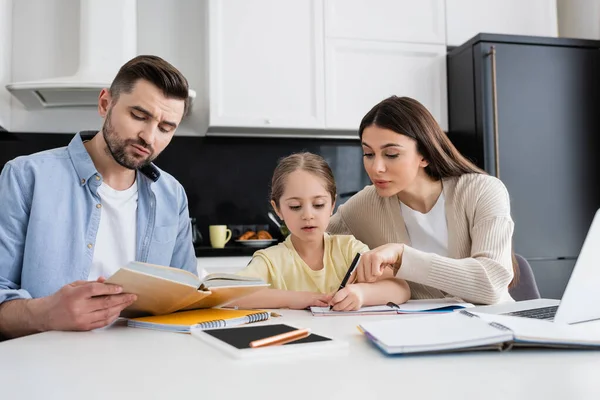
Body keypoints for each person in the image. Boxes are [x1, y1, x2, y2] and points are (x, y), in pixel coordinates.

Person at [0, 55, 200, 339]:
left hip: (145, 362)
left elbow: (187, 298)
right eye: (139, 116)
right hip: (46, 364)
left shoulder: (171, 194)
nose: (149, 137)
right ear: (105, 103)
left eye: (166, 128)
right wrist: (46, 313)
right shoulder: (26, 176)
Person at [328, 96, 518, 305]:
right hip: (418, 332)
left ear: (425, 155)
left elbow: (491, 285)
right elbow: (308, 243)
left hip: (494, 330)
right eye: (368, 154)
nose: (376, 168)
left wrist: (402, 256)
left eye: (391, 154)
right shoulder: (364, 206)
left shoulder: (482, 191)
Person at [233, 152, 411, 311]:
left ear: (333, 204)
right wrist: (298, 299)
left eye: (318, 205)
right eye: (295, 206)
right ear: (278, 209)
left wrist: (362, 293)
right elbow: (231, 295)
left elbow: (401, 288)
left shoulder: (348, 249)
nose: (308, 215)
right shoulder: (270, 261)